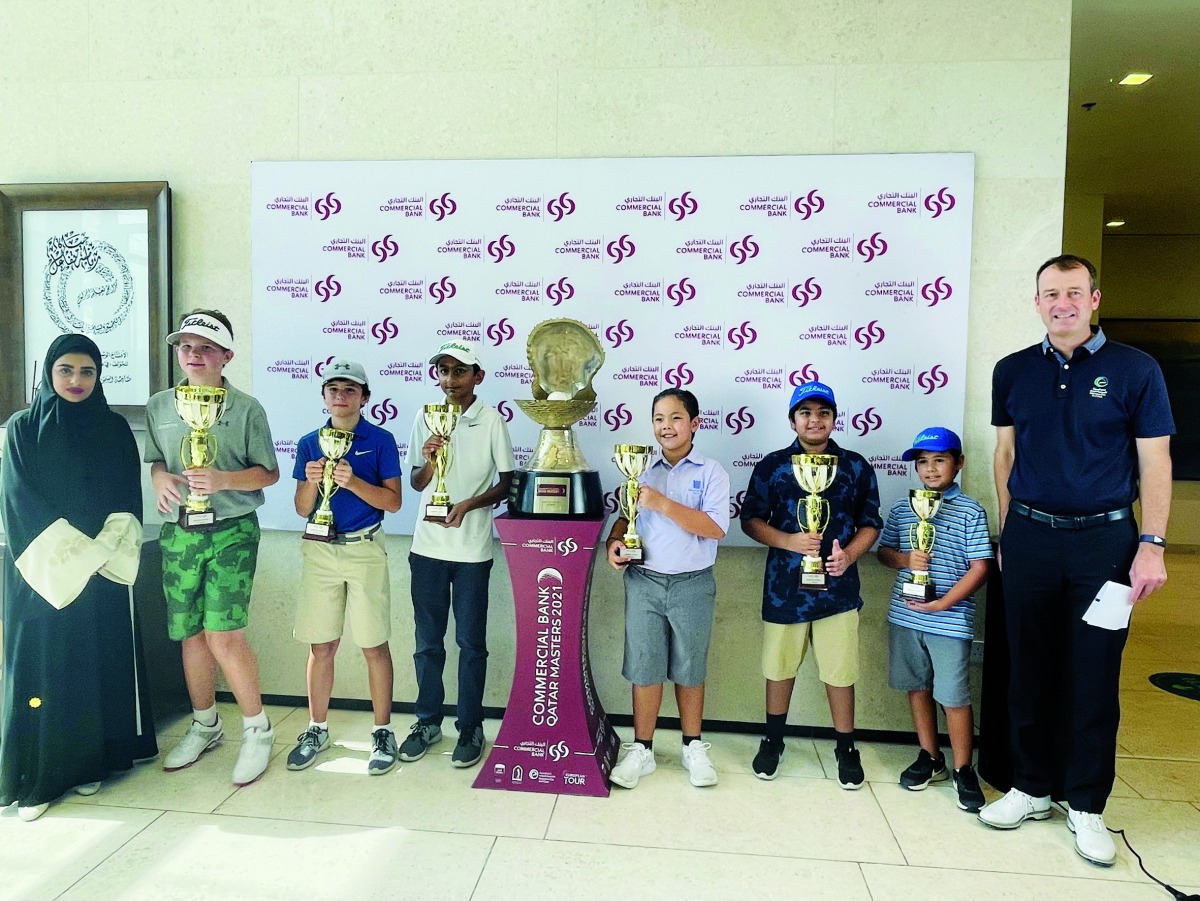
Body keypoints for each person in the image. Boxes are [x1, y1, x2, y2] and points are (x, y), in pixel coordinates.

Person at [980, 254, 1174, 867]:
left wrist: (1154, 543)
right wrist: (1010, 533)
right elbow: (1005, 457)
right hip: (1031, 538)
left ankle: (1086, 804)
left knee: (1092, 676)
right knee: (1027, 669)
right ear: (1036, 302)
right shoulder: (1011, 371)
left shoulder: (1135, 369)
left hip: (1106, 545)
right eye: (1048, 293)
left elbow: (1155, 462)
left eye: (1072, 292)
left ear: (1094, 298)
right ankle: (1030, 787)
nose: (1060, 303)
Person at [1, 334, 157, 822]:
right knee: (45, 665)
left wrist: (103, 550)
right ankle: (42, 774)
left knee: (96, 662)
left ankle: (92, 763)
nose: (76, 381)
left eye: (87, 372)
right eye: (66, 370)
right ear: (48, 372)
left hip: (102, 570)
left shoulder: (111, 428)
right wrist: (75, 556)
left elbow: (126, 497)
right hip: (44, 571)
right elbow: (19, 500)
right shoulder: (23, 429)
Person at [144, 310, 280, 786]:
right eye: (185, 347)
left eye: (205, 348)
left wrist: (223, 479)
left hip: (231, 531)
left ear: (227, 356)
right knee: (190, 635)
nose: (194, 356)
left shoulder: (246, 409)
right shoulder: (161, 404)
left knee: (224, 635)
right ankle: (206, 725)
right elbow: (158, 456)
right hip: (180, 532)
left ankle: (258, 730)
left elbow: (268, 473)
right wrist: (160, 476)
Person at [740, 381, 882, 786]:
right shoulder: (772, 466)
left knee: (840, 671)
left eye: (823, 413)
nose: (814, 420)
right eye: (805, 413)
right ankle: (773, 741)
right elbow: (750, 520)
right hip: (784, 590)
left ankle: (845, 747)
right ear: (792, 420)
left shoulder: (855, 466)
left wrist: (850, 555)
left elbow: (871, 522)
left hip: (838, 591)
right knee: (778, 667)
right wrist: (787, 540)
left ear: (835, 419)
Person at [604, 388, 731, 789]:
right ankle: (642, 749)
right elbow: (624, 520)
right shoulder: (639, 468)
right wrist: (614, 545)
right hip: (644, 582)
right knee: (645, 666)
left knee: (690, 668)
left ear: (694, 424)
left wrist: (661, 503)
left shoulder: (712, 472)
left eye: (676, 418)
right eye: (659, 418)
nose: (666, 426)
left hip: (693, 583)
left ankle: (692, 746)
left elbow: (714, 528)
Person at [400, 340, 514, 768]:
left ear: (477, 377)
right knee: (427, 643)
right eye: (443, 371)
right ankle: (428, 721)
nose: (449, 379)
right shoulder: (424, 417)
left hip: (471, 550)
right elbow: (416, 481)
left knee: (471, 644)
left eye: (459, 371)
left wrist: (467, 505)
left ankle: (470, 727)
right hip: (426, 548)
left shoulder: (491, 421)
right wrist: (430, 459)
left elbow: (507, 483)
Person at [289, 359, 403, 775]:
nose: (341, 397)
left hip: (364, 548)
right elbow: (302, 508)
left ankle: (382, 731)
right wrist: (311, 481)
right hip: (320, 551)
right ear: (324, 397)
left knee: (373, 644)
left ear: (364, 398)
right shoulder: (308, 442)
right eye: (333, 389)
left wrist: (352, 481)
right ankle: (317, 727)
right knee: (322, 645)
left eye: (350, 390)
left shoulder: (381, 440)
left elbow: (392, 503)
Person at [876, 427, 991, 812]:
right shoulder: (903, 507)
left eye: (939, 459)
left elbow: (980, 568)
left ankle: (963, 767)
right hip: (906, 615)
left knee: (954, 696)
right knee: (917, 686)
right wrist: (907, 560)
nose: (930, 469)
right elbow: (885, 552)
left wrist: (944, 604)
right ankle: (931, 756)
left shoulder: (971, 510)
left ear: (958, 463)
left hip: (950, 620)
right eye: (922, 462)